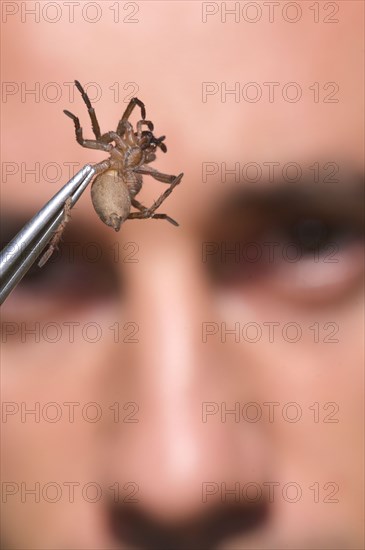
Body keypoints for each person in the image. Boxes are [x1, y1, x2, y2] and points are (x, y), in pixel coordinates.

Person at [1, 1, 364, 548]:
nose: (181, 475)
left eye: (308, 239)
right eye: (38, 280)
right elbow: (95, 136)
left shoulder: (130, 167)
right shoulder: (118, 165)